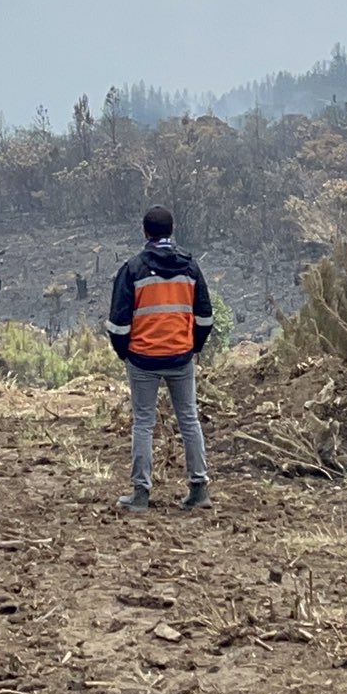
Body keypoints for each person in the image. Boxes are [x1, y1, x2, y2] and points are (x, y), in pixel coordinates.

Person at [106, 206, 214, 512]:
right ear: (172, 230)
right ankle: (199, 488)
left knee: (143, 423)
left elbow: (118, 324)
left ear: (145, 232)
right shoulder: (190, 267)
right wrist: (193, 347)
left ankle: (140, 493)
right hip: (181, 356)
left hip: (142, 358)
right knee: (189, 420)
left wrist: (125, 353)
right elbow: (205, 318)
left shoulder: (133, 268)